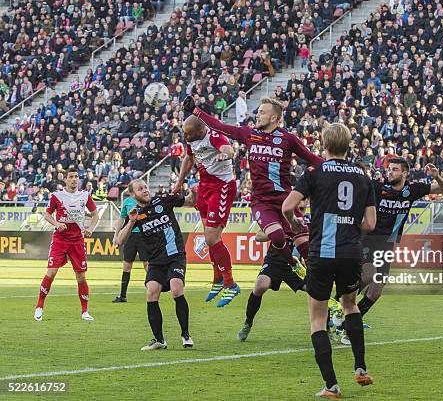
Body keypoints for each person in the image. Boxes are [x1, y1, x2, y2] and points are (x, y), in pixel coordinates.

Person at [282, 123, 377, 398]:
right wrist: (349, 224)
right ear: (349, 145)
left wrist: (295, 222)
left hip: (322, 252)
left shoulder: (314, 172)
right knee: (350, 306)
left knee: (318, 320)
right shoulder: (362, 176)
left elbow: (288, 206)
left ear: (324, 145)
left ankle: (331, 386)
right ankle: (360, 369)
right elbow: (370, 223)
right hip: (350, 252)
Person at [183, 95, 323, 274]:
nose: (257, 115)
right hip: (262, 202)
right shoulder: (250, 134)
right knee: (277, 237)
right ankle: (292, 263)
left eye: (262, 113)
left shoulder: (288, 139)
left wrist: (337, 166)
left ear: (274, 118)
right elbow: (220, 127)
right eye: (258, 112)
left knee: (308, 250)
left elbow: (312, 158)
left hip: (286, 199)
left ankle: (324, 293)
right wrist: (196, 110)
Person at [334, 158, 443, 344]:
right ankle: (340, 310)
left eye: (395, 170)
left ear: (404, 173)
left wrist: (437, 177)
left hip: (387, 244)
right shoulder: (377, 188)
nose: (390, 172)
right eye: (389, 169)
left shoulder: (412, 190)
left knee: (376, 292)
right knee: (369, 274)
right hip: (368, 239)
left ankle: (347, 320)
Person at [116, 179, 198, 350]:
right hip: (156, 261)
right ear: (132, 195)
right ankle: (159, 340)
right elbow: (120, 240)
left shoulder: (163, 200)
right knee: (152, 293)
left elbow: (190, 201)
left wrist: (194, 192)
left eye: (146, 187)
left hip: (175, 255)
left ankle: (185, 335)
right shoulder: (136, 213)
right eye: (140, 189)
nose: (145, 190)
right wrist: (131, 221)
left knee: (176, 289)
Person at [171, 115, 239, 307]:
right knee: (209, 236)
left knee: (211, 237)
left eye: (189, 133)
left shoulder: (214, 136)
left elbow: (228, 149)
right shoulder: (192, 140)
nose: (185, 136)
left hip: (222, 187)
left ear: (200, 131)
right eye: (184, 133)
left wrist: (225, 154)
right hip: (205, 188)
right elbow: (189, 159)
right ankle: (218, 279)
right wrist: (179, 182)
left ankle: (230, 283)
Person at [35, 168, 100, 321]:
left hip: (77, 240)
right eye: (71, 177)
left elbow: (95, 214)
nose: (74, 179)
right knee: (51, 272)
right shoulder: (57, 196)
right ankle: (39, 306)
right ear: (65, 179)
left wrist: (90, 228)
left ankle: (85, 311)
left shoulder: (85, 196)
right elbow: (47, 214)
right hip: (60, 239)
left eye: (76, 176)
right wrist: (57, 223)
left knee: (81, 277)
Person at [237, 236, 306, 341]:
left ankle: (326, 327)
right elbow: (258, 236)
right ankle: (248, 322)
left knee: (315, 290)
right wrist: (278, 234)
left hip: (294, 266)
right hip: (273, 263)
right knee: (261, 286)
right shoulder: (276, 222)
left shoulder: (303, 223)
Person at [111, 191, 150, 303]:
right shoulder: (127, 201)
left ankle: (152, 292)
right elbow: (121, 218)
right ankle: (122, 296)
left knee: (147, 264)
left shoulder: (145, 201)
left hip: (144, 235)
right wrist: (116, 235)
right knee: (127, 265)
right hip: (130, 235)